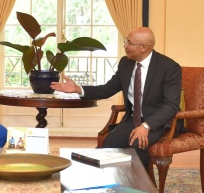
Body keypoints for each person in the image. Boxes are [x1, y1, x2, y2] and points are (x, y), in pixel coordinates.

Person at [51, 27, 185, 169]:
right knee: (110, 142)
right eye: (125, 41)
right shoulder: (125, 63)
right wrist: (78, 89)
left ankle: (141, 186)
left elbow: (170, 105)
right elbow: (108, 89)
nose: (125, 45)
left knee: (137, 144)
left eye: (129, 42)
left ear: (143, 47)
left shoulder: (169, 67)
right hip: (133, 119)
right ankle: (112, 183)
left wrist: (146, 126)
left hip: (159, 122)